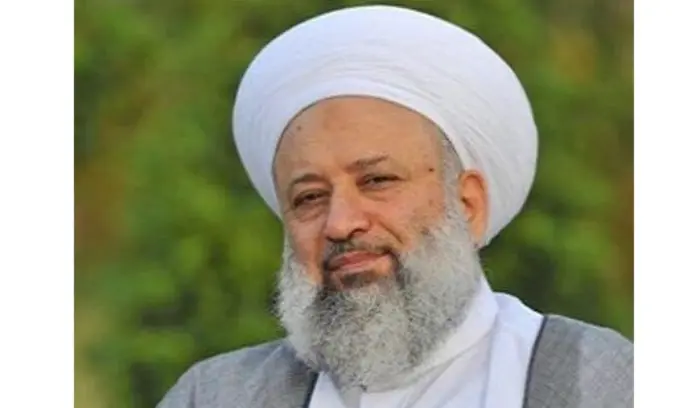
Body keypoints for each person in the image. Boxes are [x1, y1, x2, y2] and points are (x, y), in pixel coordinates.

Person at [158, 5, 633, 408]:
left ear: (467, 204)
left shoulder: (604, 383)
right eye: (309, 198)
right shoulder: (217, 395)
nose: (341, 223)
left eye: (377, 181)